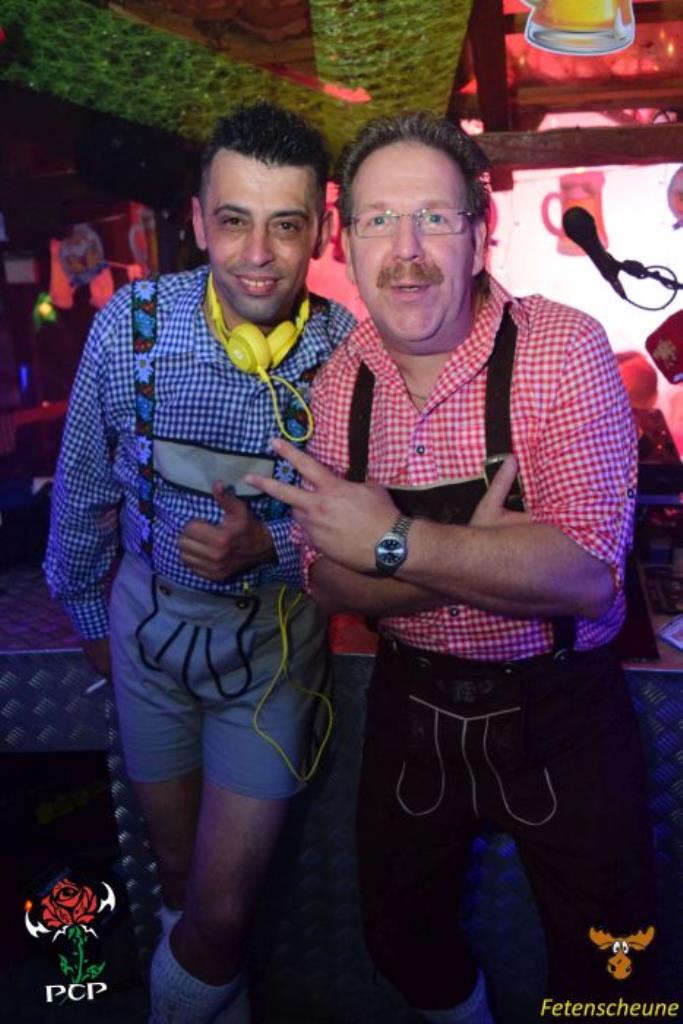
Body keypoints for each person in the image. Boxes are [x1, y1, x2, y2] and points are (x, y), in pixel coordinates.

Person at [247, 112, 657, 1022]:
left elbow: (584, 575)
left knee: (614, 967)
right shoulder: (338, 383)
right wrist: (495, 555)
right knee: (398, 941)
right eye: (378, 221)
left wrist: (393, 541)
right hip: (412, 703)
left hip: (563, 710)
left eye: (433, 218)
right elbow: (324, 579)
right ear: (345, 240)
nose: (406, 251)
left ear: (479, 231)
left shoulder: (563, 348)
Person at [44, 102, 355, 1024]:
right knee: (181, 879)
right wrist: (103, 634)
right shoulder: (129, 328)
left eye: (285, 225)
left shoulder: (348, 352)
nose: (257, 254)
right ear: (196, 220)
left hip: (273, 653)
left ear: (318, 232)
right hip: (147, 637)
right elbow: (80, 496)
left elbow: (375, 534)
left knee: (219, 912)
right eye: (233, 220)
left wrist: (274, 547)